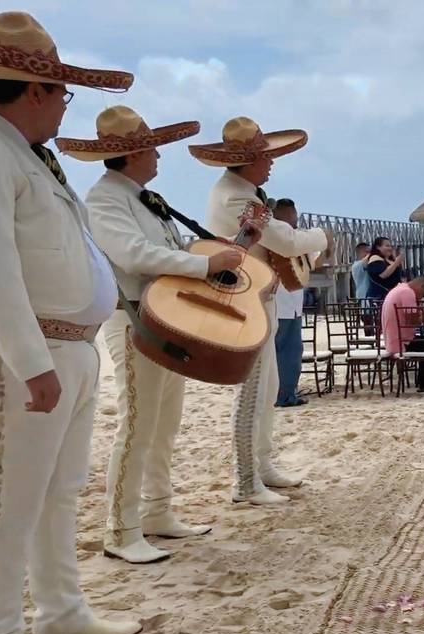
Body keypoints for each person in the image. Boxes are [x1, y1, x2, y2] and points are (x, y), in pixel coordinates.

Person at [0, 11, 142, 634]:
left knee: (59, 493)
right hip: (29, 356)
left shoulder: (26, 155)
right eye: (62, 95)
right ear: (36, 91)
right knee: (9, 503)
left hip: (70, 349)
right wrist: (29, 361)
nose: (63, 109)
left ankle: (61, 612)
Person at [56, 106, 222, 565]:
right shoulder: (106, 198)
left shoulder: (144, 197)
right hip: (133, 320)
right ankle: (121, 528)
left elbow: (166, 251)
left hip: (165, 320)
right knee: (137, 425)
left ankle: (156, 511)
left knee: (164, 423)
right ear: (131, 154)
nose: (157, 158)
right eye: (151, 149)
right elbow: (134, 255)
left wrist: (208, 257)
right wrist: (205, 264)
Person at [194, 116, 330, 504]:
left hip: (258, 298)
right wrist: (322, 237)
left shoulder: (240, 192)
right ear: (247, 160)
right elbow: (284, 241)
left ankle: (261, 465)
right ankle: (245, 479)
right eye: (264, 158)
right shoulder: (237, 196)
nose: (270, 164)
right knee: (252, 391)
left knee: (266, 386)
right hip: (245, 302)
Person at [272, 199, 321, 408]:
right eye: (293, 214)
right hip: (285, 303)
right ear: (289, 214)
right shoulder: (289, 237)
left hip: (280, 303)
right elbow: (316, 262)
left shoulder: (273, 235)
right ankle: (285, 395)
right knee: (289, 352)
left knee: (278, 352)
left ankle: (280, 393)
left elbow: (312, 262)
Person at [380, 276, 424, 391]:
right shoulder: (408, 293)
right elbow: (412, 320)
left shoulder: (399, 288)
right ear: (422, 286)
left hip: (394, 340)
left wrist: (420, 314)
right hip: (403, 343)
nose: (421, 297)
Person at [365, 236, 404, 301]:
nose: (390, 248)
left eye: (390, 246)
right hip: (379, 296)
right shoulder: (375, 258)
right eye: (387, 246)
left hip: (392, 294)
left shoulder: (390, 260)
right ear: (378, 247)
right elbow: (383, 274)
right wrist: (396, 262)